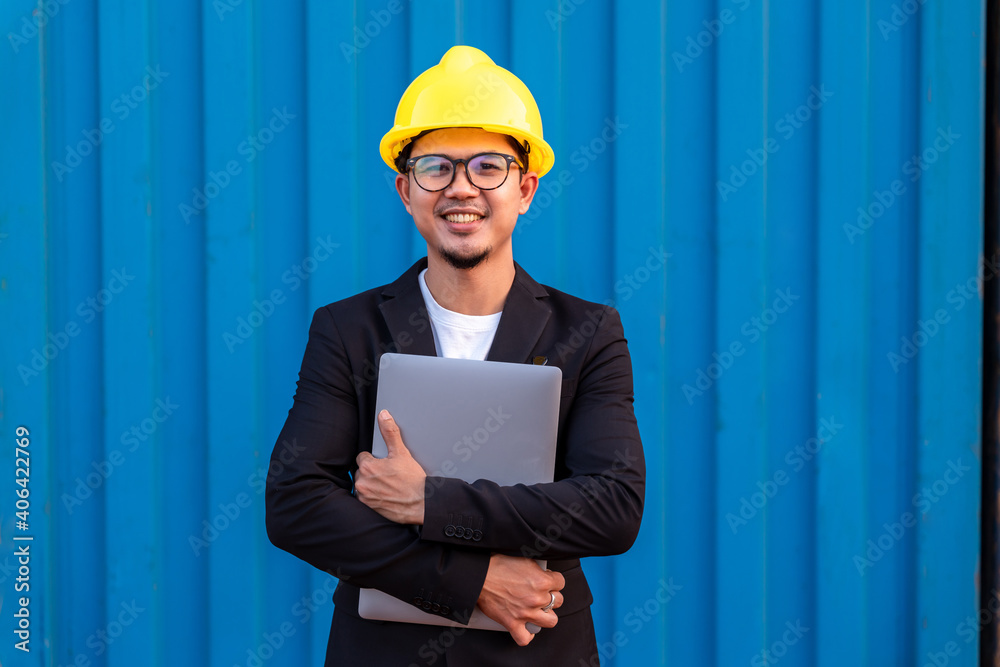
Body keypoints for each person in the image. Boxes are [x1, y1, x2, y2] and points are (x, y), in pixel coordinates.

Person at [266, 45, 645, 666]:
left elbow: (612, 508)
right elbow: (295, 504)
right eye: (436, 167)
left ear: (525, 189)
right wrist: (472, 580)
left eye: (488, 167)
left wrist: (429, 500)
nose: (460, 188)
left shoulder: (589, 332)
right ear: (405, 190)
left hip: (538, 651)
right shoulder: (346, 329)